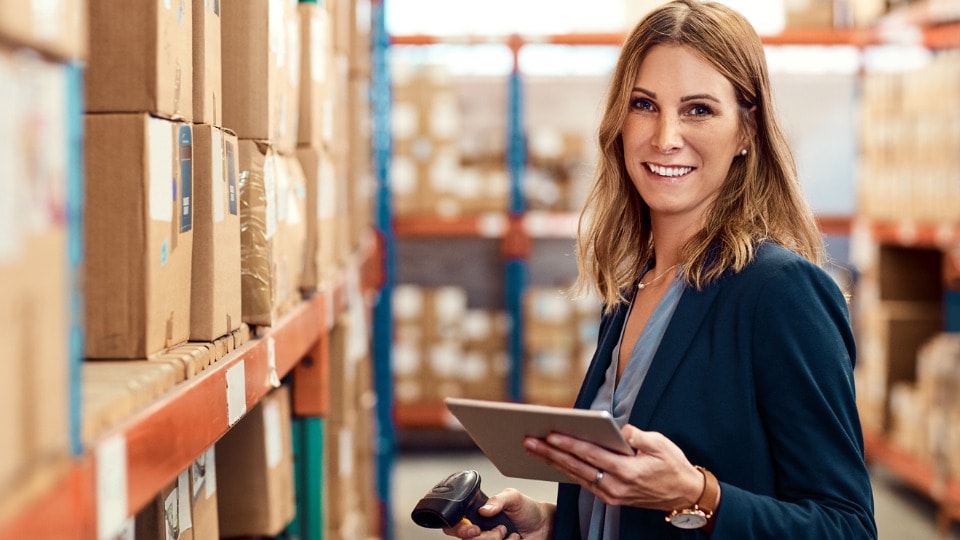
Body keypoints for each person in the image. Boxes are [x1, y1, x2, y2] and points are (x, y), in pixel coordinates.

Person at [442, 1, 877, 538]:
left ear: (747, 130)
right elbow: (624, 503)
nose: (665, 136)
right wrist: (551, 526)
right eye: (644, 105)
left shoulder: (781, 292)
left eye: (699, 110)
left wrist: (698, 496)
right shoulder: (632, 290)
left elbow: (847, 526)